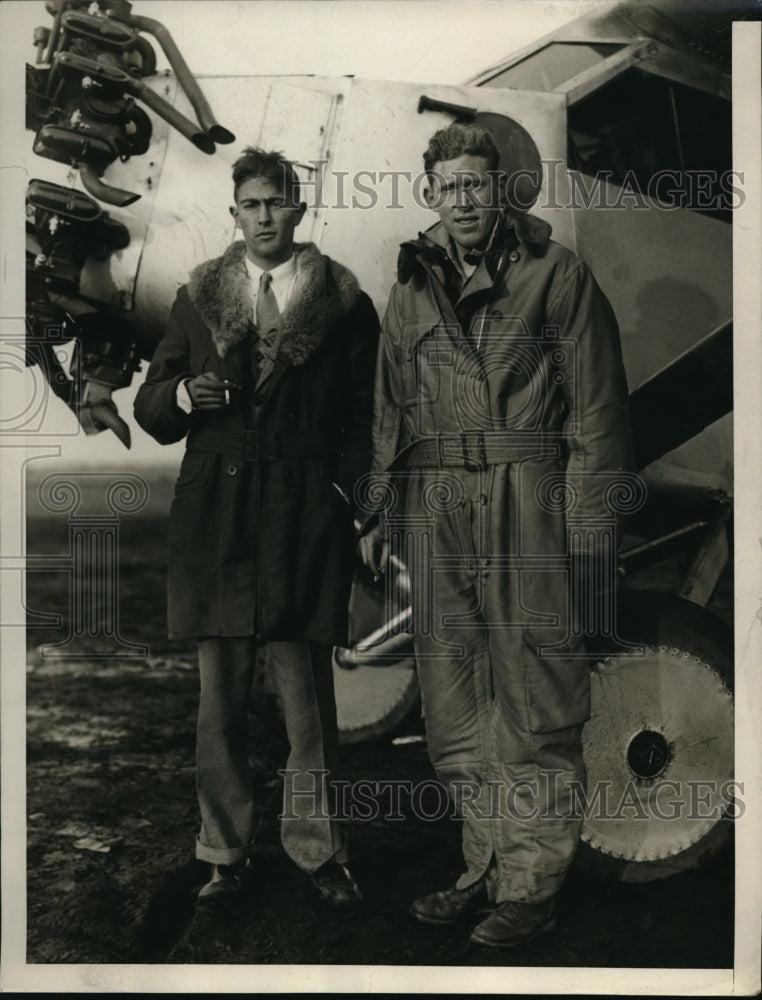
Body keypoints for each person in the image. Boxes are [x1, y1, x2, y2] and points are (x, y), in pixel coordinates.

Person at [359, 122, 633, 947]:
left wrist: (588, 539)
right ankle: (481, 869)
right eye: (448, 187)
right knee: (454, 704)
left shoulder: (558, 275)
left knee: (535, 701)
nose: (463, 200)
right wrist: (376, 512)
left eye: (476, 184)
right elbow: (388, 412)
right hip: (439, 510)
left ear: (500, 187)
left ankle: (532, 886)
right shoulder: (409, 289)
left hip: (529, 505)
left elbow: (598, 417)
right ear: (429, 194)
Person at [135, 146, 379, 906]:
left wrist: (353, 493)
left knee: (306, 697)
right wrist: (183, 394)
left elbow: (367, 417)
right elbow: (150, 406)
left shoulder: (344, 303)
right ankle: (223, 851)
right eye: (250, 204)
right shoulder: (197, 297)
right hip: (218, 512)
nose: (264, 216)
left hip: (304, 510)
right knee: (221, 696)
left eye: (277, 202)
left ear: (298, 209)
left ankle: (320, 852)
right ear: (234, 213)